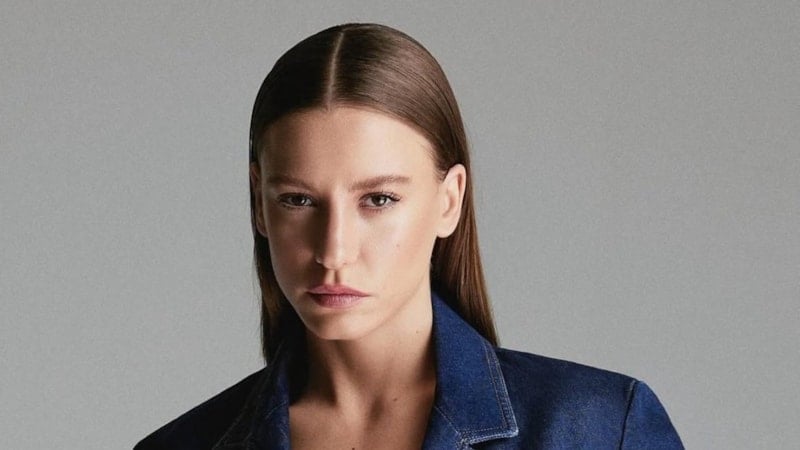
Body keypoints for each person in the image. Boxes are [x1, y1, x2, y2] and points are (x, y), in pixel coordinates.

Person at [135, 23, 683, 449]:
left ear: (449, 201)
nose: (334, 251)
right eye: (298, 200)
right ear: (260, 202)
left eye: (378, 199)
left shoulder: (601, 429)